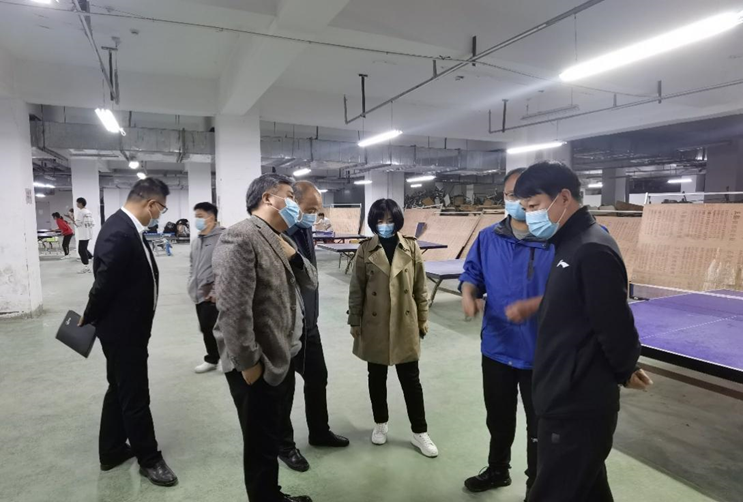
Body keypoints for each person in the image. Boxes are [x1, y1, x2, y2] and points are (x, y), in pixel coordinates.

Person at [513, 161, 652, 502]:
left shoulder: (591, 248)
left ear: (563, 197)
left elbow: (614, 322)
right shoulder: (569, 244)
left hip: (575, 404)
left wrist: (625, 368)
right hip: (561, 393)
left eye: (534, 206)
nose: (530, 215)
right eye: (526, 208)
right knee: (588, 490)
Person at [213, 173, 316, 502]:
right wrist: (248, 364)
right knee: (259, 444)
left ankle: (272, 495)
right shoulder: (241, 237)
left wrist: (292, 254)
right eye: (291, 196)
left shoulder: (278, 238)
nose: (295, 204)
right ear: (268, 198)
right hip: (258, 363)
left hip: (282, 355)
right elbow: (233, 310)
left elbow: (311, 281)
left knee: (270, 435)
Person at [459, 168, 554, 500]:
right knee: (498, 418)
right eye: (511, 195)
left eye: (525, 196)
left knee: (539, 427)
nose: (517, 202)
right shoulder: (489, 237)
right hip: (497, 347)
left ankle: (535, 486)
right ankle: (498, 469)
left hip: (540, 353)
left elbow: (576, 290)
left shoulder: (557, 239)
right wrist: (469, 293)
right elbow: (472, 274)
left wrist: (534, 306)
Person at [79, 177, 178, 487]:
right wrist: (89, 316)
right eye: (161, 209)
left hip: (128, 326)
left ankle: (111, 450)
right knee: (135, 394)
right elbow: (104, 283)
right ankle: (149, 459)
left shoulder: (126, 227)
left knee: (119, 387)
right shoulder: (120, 231)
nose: (160, 214)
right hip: (123, 331)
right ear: (151, 204)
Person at [348, 198, 438, 458]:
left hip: (404, 321)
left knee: (411, 379)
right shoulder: (365, 249)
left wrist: (423, 317)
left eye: (389, 219)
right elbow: (357, 288)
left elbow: (420, 286)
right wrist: (354, 320)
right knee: (376, 378)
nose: (385, 224)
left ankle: (419, 432)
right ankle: (380, 423)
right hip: (374, 322)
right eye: (379, 220)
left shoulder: (411, 246)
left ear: (397, 220)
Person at [279, 180, 349, 472]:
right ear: (293, 204)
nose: (313, 215)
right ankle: (284, 446)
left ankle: (319, 432)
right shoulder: (278, 234)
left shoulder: (305, 230)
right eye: (309, 209)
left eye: (316, 210)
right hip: (284, 330)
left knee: (318, 377)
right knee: (284, 390)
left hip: (310, 324)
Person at [188, 202, 225, 374]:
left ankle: (225, 358)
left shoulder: (222, 238)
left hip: (215, 294)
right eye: (196, 216)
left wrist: (216, 291)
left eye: (200, 216)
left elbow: (226, 267)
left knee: (219, 328)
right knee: (205, 328)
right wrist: (191, 284)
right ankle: (212, 358)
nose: (197, 220)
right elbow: (192, 265)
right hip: (199, 292)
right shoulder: (196, 241)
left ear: (211, 217)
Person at [73, 197, 95, 273]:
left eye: (77, 203)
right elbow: (93, 223)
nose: (77, 204)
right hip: (88, 233)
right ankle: (91, 257)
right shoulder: (88, 212)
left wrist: (72, 219)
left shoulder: (81, 212)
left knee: (81, 250)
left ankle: (86, 267)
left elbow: (78, 223)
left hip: (83, 234)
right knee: (84, 249)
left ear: (80, 203)